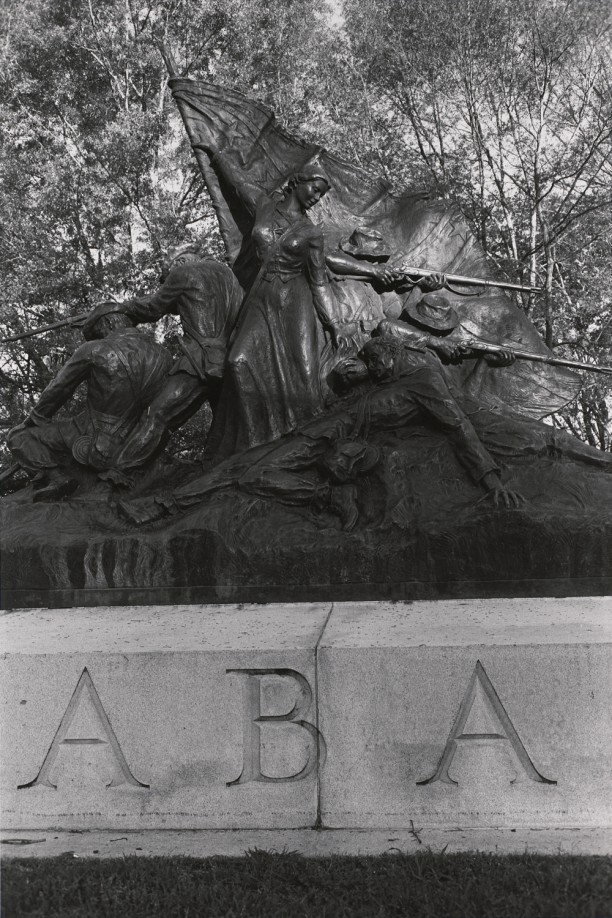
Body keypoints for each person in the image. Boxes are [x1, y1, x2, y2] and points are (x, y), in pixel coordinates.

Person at [195, 140, 402, 460]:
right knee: (238, 362)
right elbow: (238, 183)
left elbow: (320, 278)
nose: (317, 196)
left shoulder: (311, 232)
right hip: (262, 298)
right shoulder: (264, 206)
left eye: (322, 193)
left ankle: (299, 447)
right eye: (315, 189)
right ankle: (250, 449)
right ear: (297, 182)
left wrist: (334, 324)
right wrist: (214, 153)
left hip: (297, 303)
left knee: (302, 377)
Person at [7, 304, 173, 500]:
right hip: (139, 441)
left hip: (93, 436)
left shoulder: (95, 349)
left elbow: (60, 388)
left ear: (109, 322)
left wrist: (36, 417)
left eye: (97, 332)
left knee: (19, 436)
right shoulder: (164, 355)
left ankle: (57, 478)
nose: (98, 338)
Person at [112, 244, 243, 469]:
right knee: (224, 423)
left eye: (168, 276)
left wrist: (124, 306)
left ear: (179, 263)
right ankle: (213, 468)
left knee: (156, 416)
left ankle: (116, 474)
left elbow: (154, 307)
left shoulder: (183, 272)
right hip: (230, 361)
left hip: (198, 361)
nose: (170, 280)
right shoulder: (229, 277)